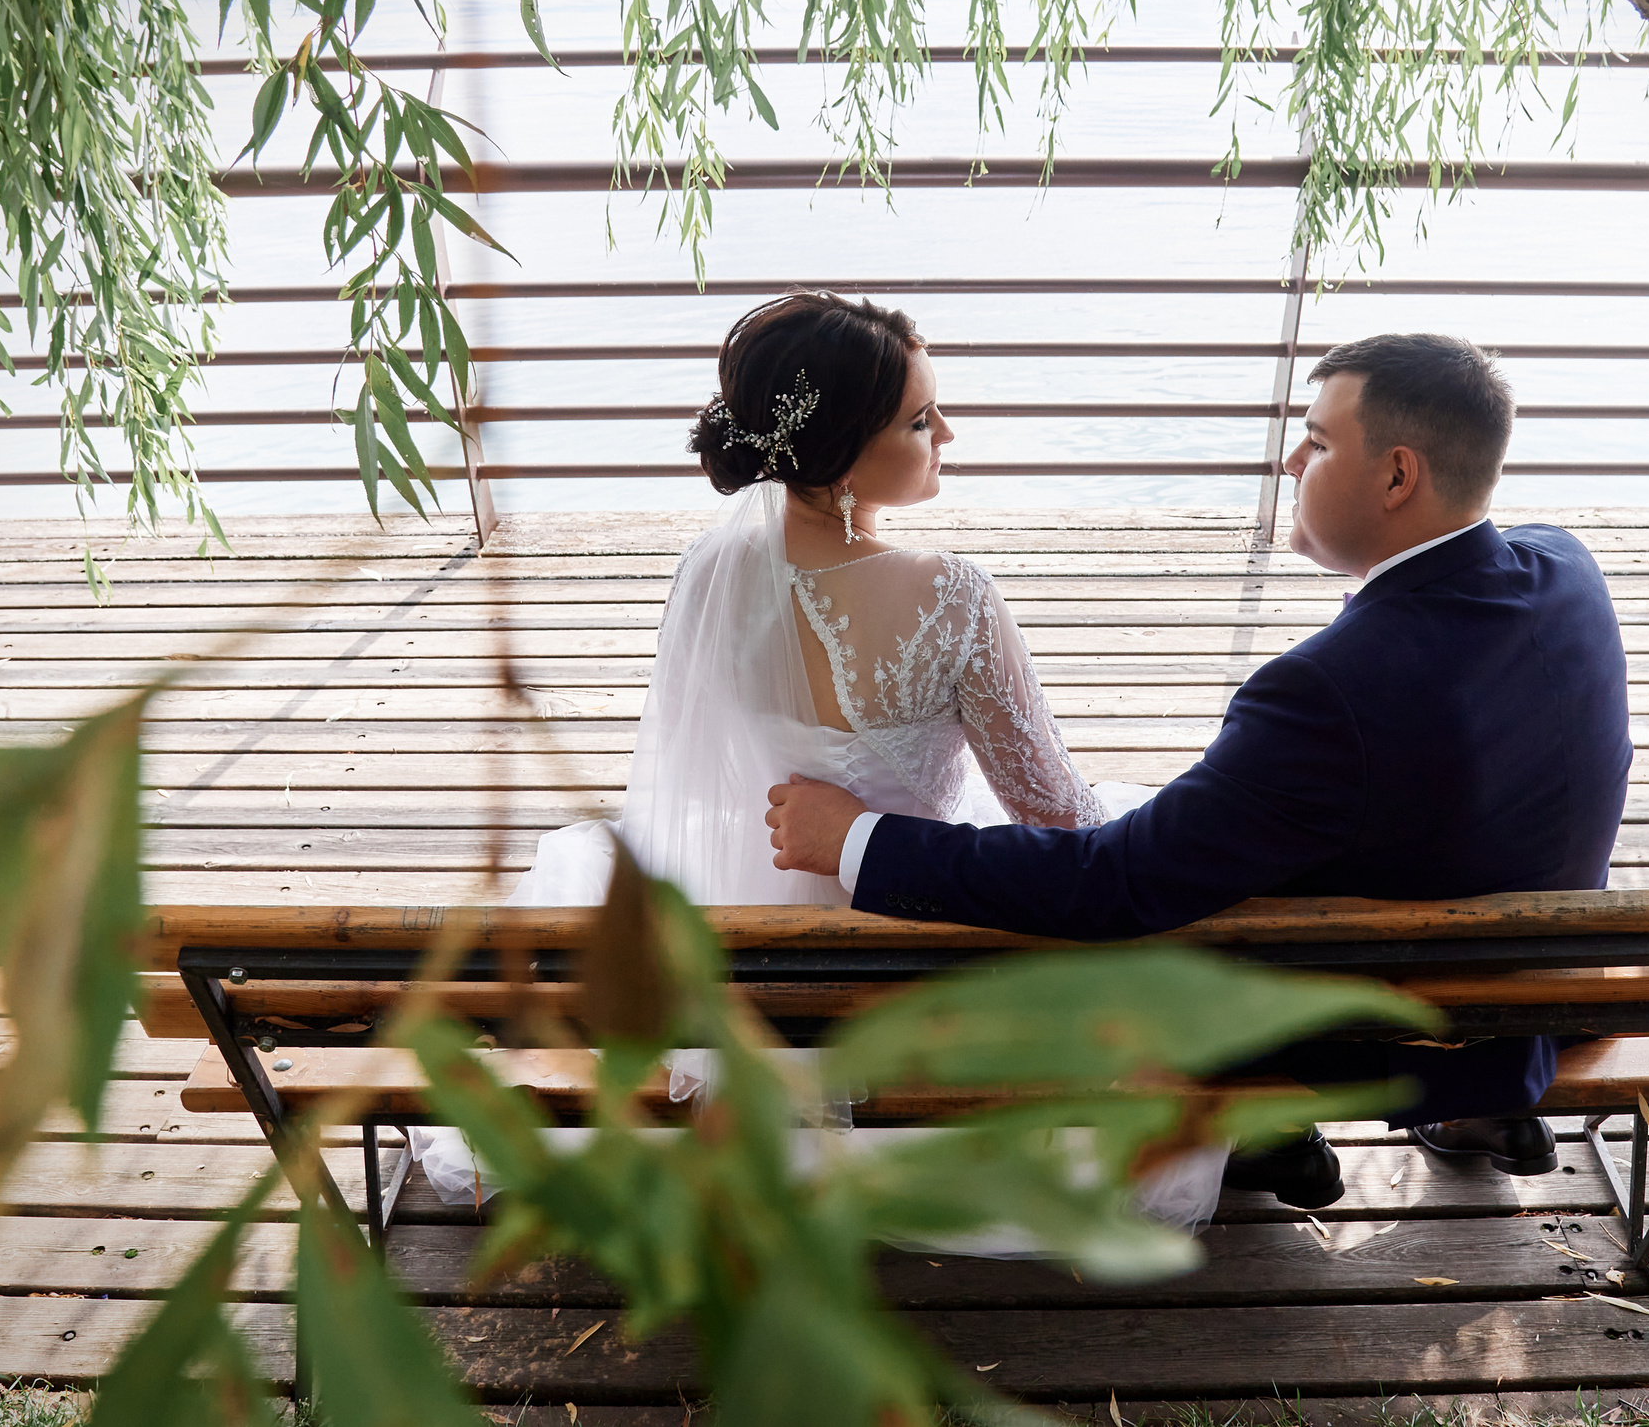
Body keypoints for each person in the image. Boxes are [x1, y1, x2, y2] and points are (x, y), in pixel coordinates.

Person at [407, 291, 1222, 1234]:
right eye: (920, 419)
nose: (948, 430)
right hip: (915, 944)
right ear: (837, 449)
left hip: (749, 949)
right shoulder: (951, 599)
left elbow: (695, 768)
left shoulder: (708, 574)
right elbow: (1060, 818)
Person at [765, 332, 1633, 1209]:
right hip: (1547, 988)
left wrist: (858, 838)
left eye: (1319, 442)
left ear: (1398, 476)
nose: (1291, 459)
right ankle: (1468, 1113)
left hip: (1413, 1026)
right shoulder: (1567, 568)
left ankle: (1266, 1126)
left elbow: (1115, 884)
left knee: (1145, 927)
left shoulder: (1325, 692)